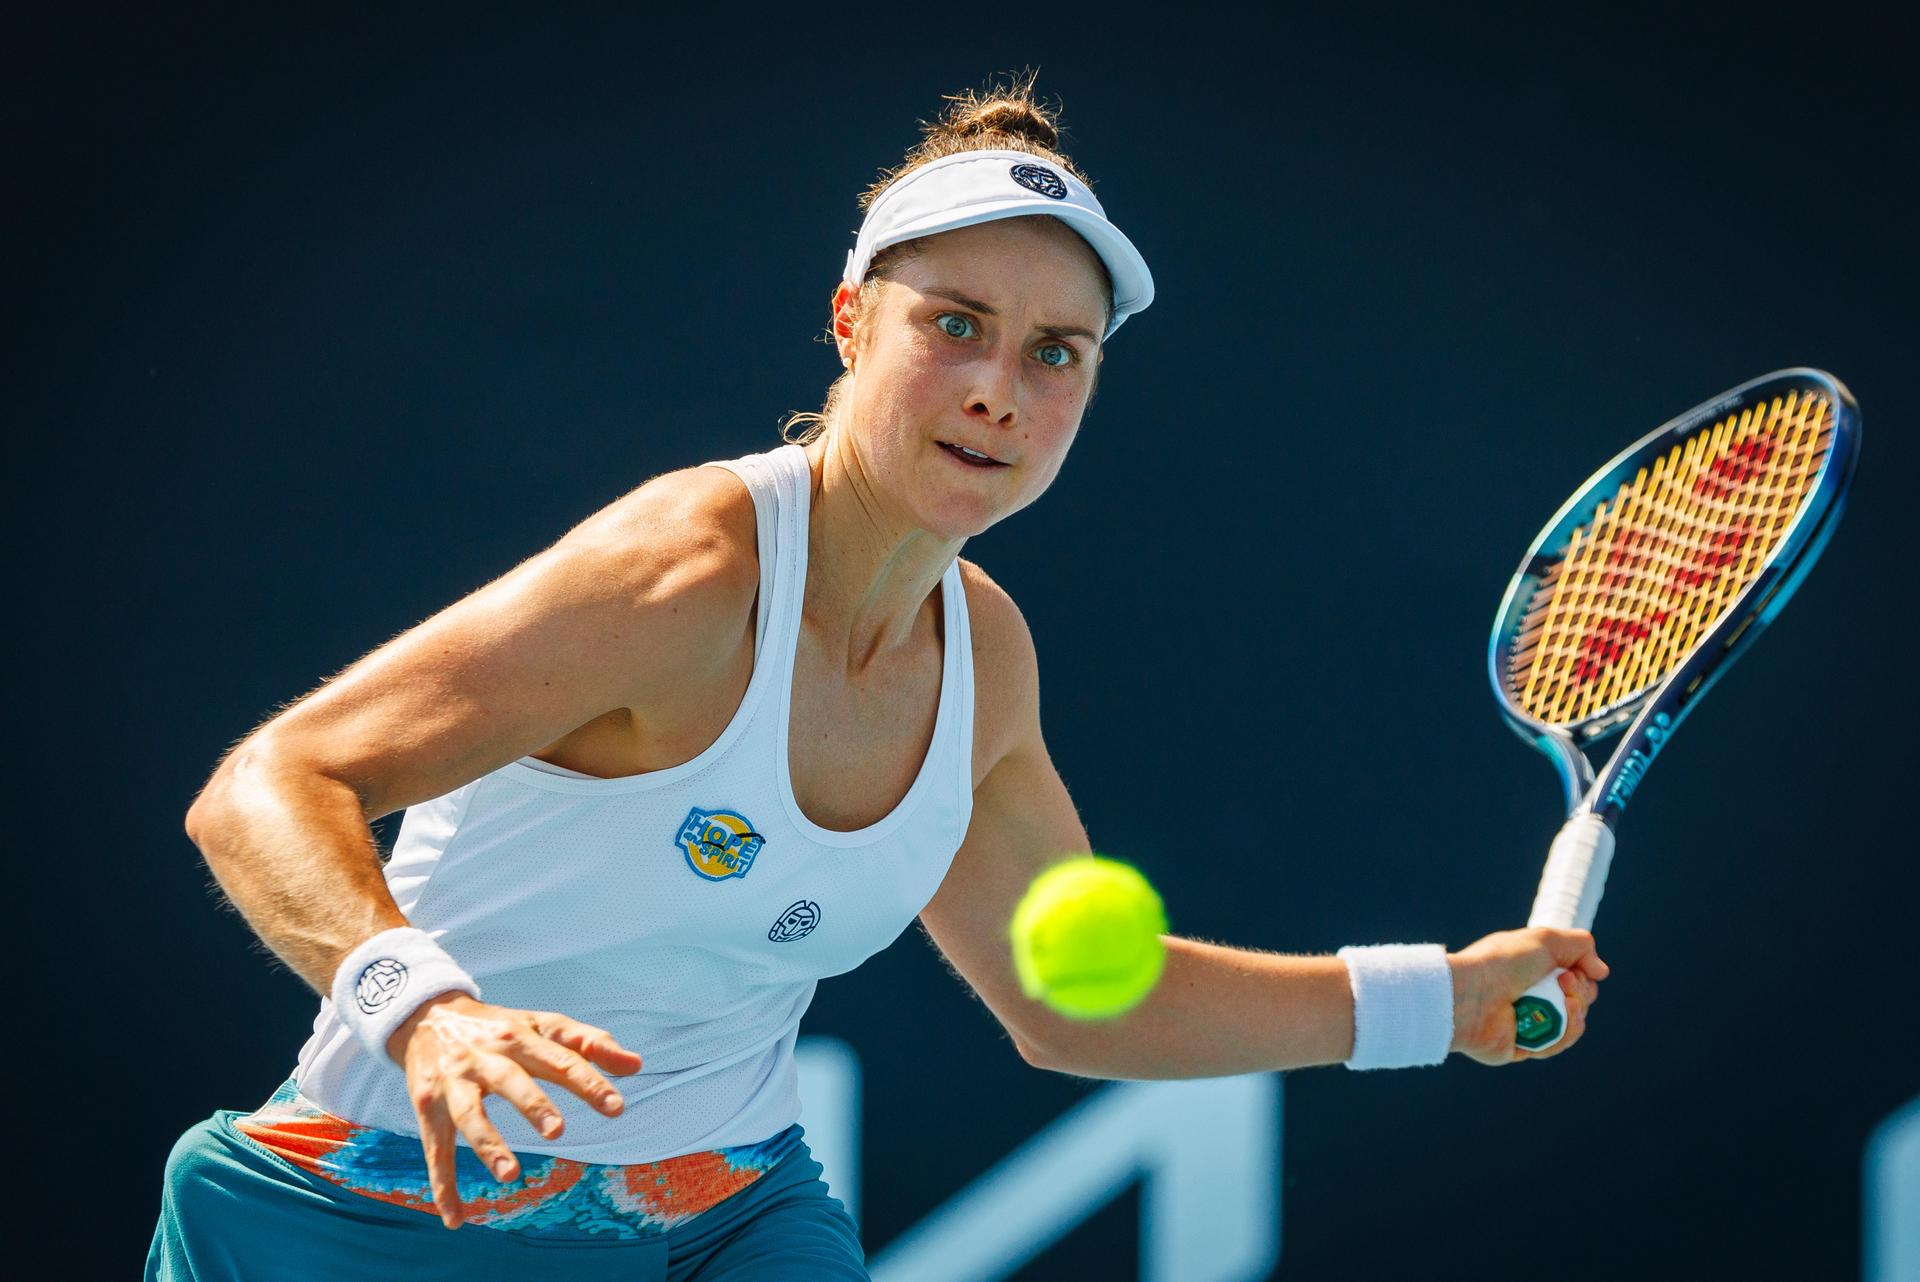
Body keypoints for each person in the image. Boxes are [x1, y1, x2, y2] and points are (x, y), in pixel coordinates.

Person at [152, 75, 1609, 1281]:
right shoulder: (690, 566)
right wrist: (428, 1008)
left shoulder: (987, 654)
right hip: (390, 1205)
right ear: (853, 325)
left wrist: (1441, 1000)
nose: (999, 391)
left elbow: (1076, 1003)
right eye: (954, 325)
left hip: (730, 1212)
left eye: (1057, 354)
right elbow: (267, 786)